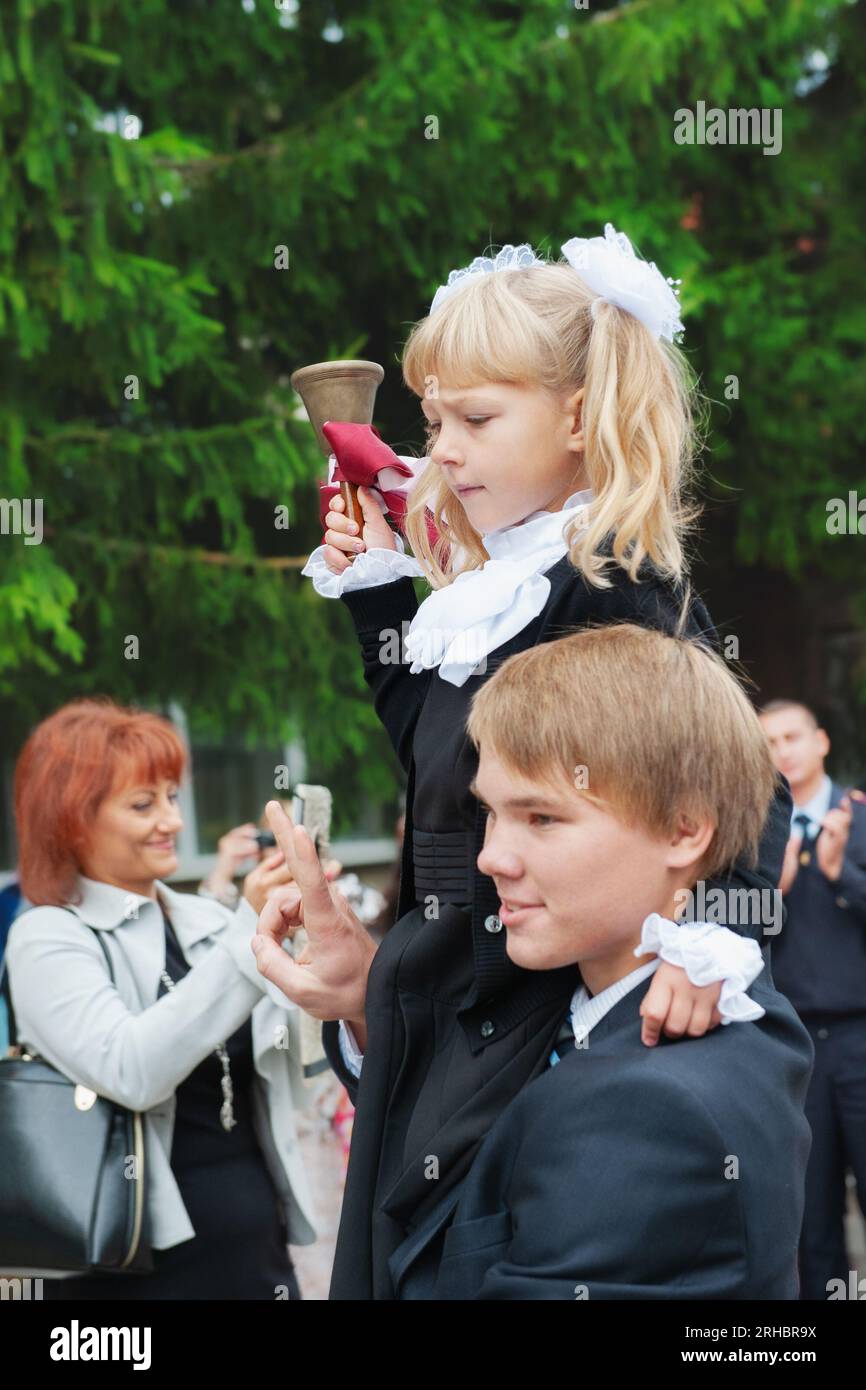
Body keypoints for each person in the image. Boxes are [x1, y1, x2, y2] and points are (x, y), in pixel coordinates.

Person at [261, 227, 793, 1299]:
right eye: (430, 420)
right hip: (440, 1007)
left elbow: (745, 791)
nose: (442, 450)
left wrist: (705, 941)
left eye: (475, 417)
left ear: (580, 417)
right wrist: (377, 590)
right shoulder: (487, 588)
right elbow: (441, 758)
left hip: (523, 1036)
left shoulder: (609, 585)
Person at [426, 624, 812, 1298]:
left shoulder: (649, 1108)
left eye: (542, 818)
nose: (492, 858)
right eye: (490, 813)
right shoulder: (594, 1010)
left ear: (684, 831)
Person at [5, 698, 317, 1300]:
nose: (172, 820)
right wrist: (250, 931)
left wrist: (317, 942)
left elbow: (299, 1068)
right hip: (131, 1268)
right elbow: (133, 1069)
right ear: (73, 820)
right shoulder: (47, 935)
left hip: (255, 1247)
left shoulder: (206, 919)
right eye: (143, 804)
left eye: (172, 796)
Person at [759, 698, 866, 1300]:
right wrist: (775, 888)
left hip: (861, 1036)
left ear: (821, 741)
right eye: (768, 742)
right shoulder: (752, 834)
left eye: (793, 736)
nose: (782, 752)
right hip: (794, 1049)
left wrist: (839, 874)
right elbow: (725, 935)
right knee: (809, 1215)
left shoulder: (861, 815)